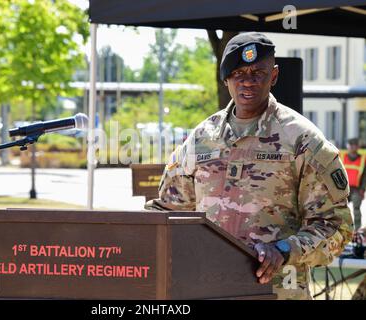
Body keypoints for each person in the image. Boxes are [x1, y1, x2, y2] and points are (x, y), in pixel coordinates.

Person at [145, 32, 353, 300]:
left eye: (258, 73)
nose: (248, 82)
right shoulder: (200, 139)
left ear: (274, 76)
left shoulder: (302, 141)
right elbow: (167, 213)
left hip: (277, 292)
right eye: (239, 73)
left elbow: (337, 226)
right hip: (208, 289)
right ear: (226, 78)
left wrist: (284, 250)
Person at [343, 138, 366, 231]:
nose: (352, 147)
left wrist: (363, 189)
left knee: (356, 209)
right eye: (350, 145)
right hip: (344, 189)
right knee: (341, 209)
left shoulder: (363, 159)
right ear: (347, 146)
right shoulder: (342, 157)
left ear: (358, 146)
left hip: (357, 189)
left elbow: (365, 176)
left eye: (354, 145)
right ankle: (343, 229)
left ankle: (357, 230)